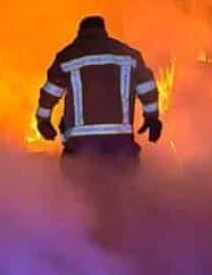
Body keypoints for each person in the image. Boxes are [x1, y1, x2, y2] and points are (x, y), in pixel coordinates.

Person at [34, 14, 162, 173]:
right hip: (120, 143)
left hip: (80, 145)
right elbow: (147, 87)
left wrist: (43, 120)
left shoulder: (67, 56)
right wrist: (152, 118)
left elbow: (50, 93)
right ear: (104, 31)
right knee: (123, 191)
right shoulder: (129, 55)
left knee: (79, 193)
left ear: (80, 33)